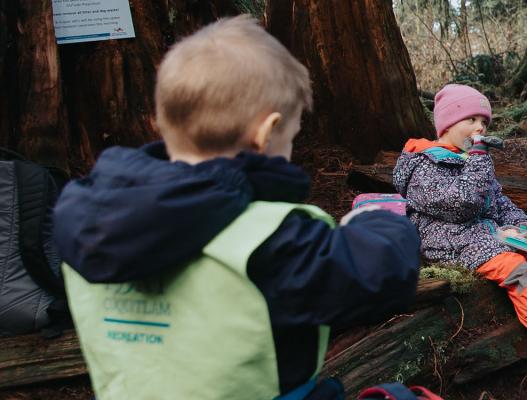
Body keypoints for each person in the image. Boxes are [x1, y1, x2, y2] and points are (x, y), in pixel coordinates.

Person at [53, 16, 420, 399]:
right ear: (265, 133)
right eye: (292, 136)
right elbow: (382, 277)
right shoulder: (268, 237)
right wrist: (377, 221)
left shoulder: (83, 221)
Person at [395, 83, 527, 377]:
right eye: (471, 120)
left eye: (484, 122)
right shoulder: (425, 164)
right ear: (446, 124)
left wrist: (521, 226)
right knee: (519, 272)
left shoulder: (471, 161)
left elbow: (499, 201)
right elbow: (462, 204)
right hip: (450, 241)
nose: (479, 128)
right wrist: (480, 159)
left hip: (485, 236)